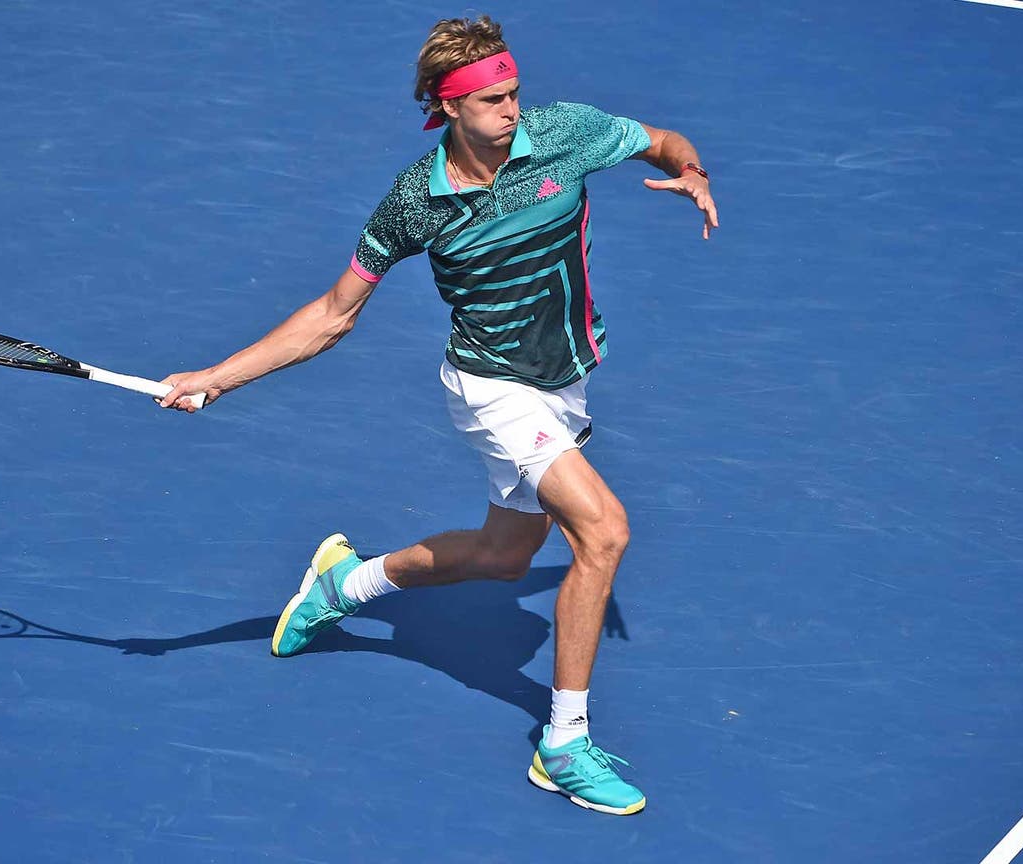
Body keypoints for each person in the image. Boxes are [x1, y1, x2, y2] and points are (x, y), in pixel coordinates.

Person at [158, 14, 717, 816]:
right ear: (445, 106)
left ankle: (340, 585)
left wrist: (690, 169)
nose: (512, 109)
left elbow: (661, 139)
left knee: (502, 557)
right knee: (605, 531)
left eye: (515, 92)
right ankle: (563, 744)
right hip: (491, 387)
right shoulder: (414, 203)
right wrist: (218, 377)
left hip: (561, 379)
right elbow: (332, 314)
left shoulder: (567, 135)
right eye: (492, 100)